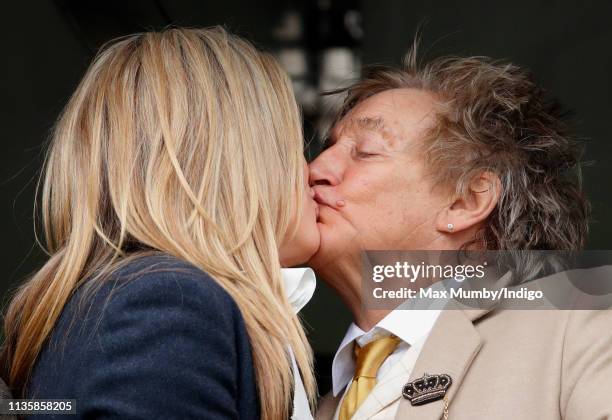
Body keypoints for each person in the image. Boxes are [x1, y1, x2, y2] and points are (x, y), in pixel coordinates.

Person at [0, 27, 320, 419]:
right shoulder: (172, 302)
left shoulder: (132, 300)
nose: (311, 170)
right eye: (292, 145)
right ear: (231, 163)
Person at [310, 46, 612, 419]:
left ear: (466, 201)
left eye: (366, 151)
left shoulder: (580, 331)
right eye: (329, 146)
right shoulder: (325, 402)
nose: (316, 168)